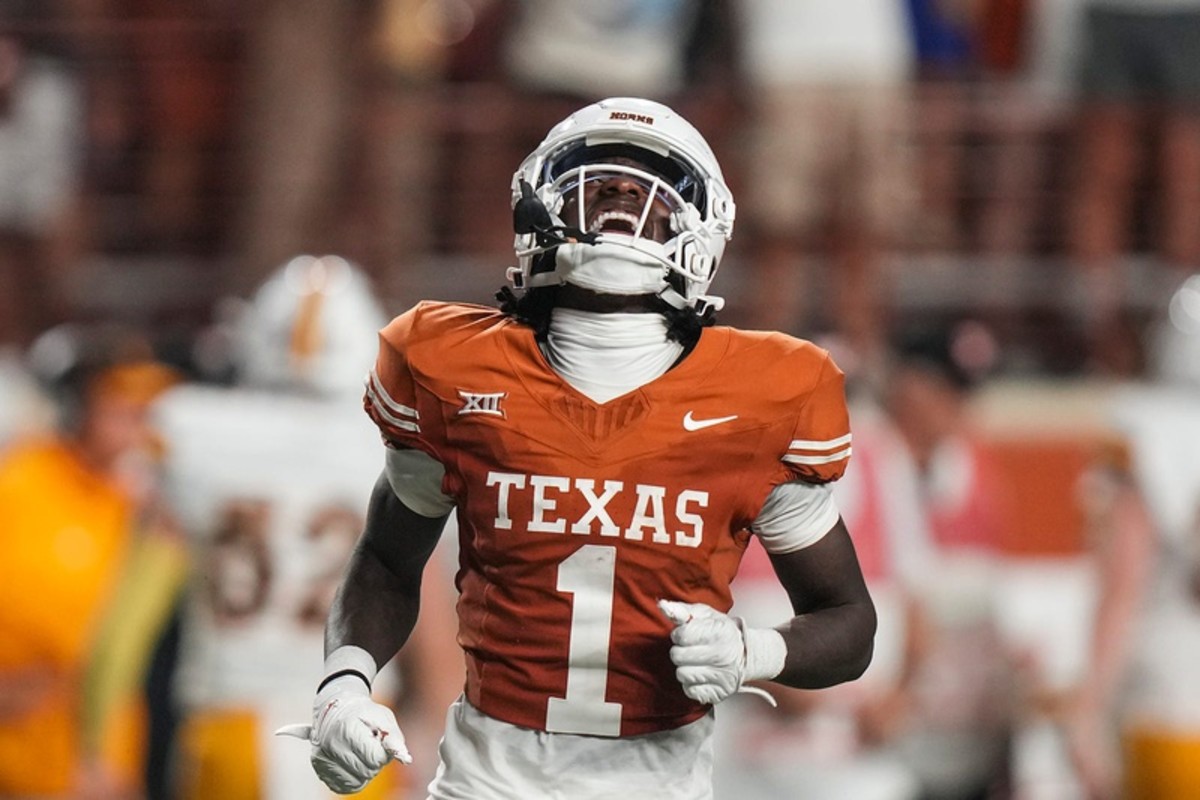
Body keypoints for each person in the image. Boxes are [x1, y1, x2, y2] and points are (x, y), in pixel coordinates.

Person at [277, 96, 877, 798]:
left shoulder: (761, 395)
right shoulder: (453, 365)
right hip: (485, 782)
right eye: (599, 178)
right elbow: (385, 559)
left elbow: (848, 622)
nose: (623, 191)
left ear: (700, 228)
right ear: (539, 206)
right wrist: (343, 684)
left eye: (650, 182)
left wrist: (754, 651)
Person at [153, 255, 461, 800]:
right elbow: (431, 635)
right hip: (357, 730)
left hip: (229, 727)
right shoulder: (392, 450)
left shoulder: (193, 432)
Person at [0, 323, 181, 798]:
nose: (140, 426)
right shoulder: (18, 485)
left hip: (98, 771)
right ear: (74, 407)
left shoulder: (143, 507)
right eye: (120, 408)